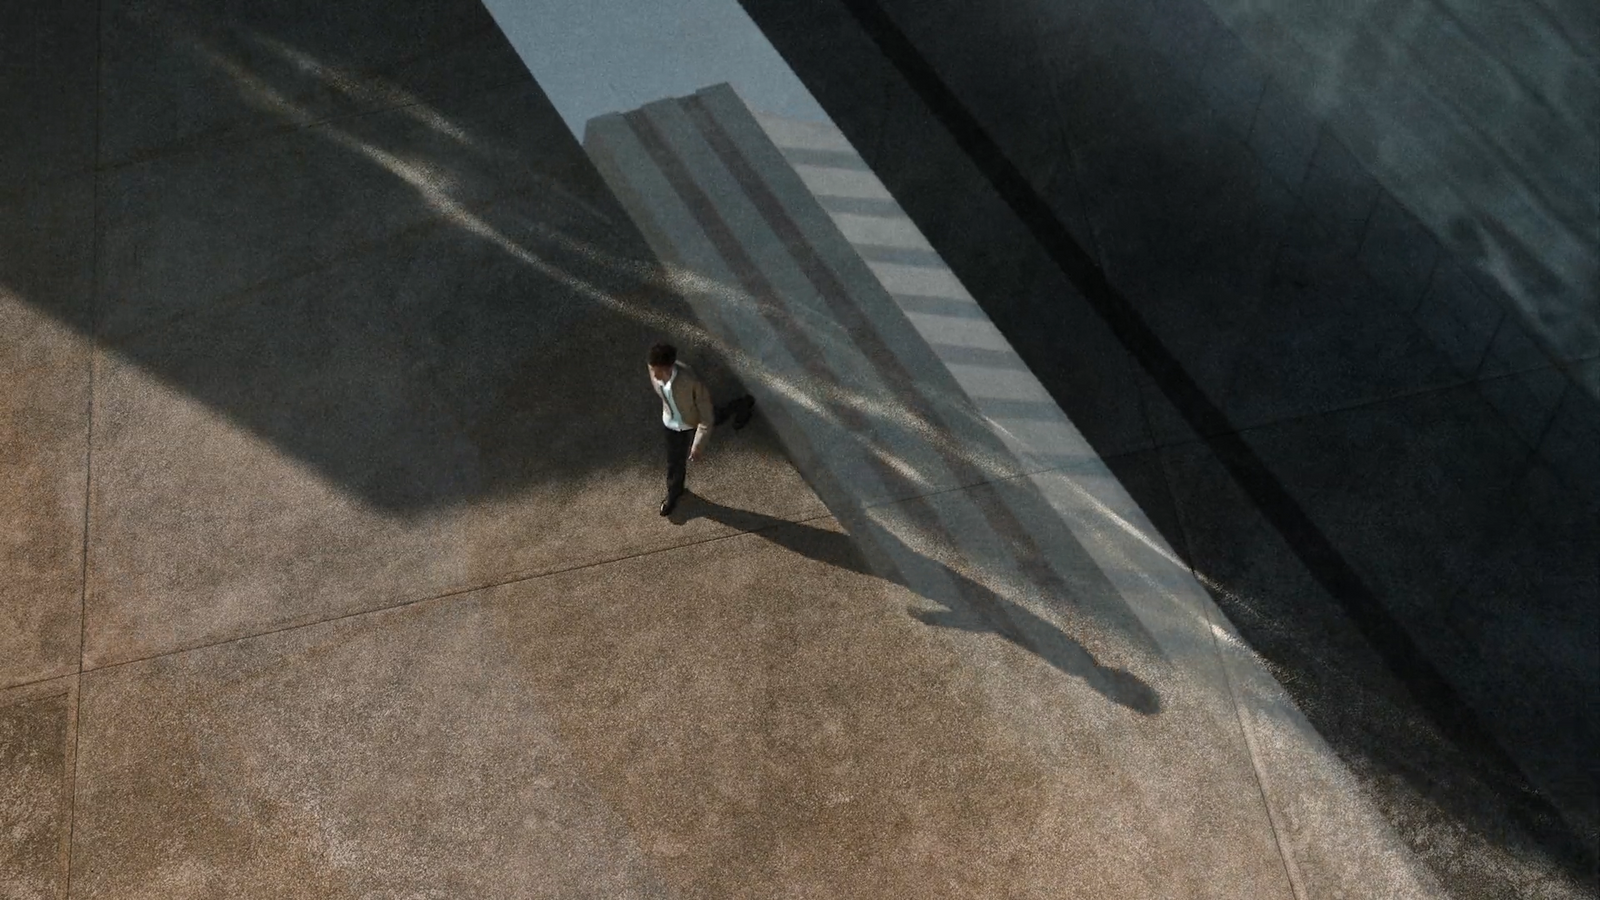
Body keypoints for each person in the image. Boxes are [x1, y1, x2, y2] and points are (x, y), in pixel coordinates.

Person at [647, 342, 755, 515]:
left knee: (716, 416)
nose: (653, 375)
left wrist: (698, 444)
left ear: (669, 367)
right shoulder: (654, 368)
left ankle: (742, 405)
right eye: (652, 370)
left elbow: (706, 415)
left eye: (657, 371)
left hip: (693, 417)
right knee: (674, 461)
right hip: (672, 423)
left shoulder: (690, 381)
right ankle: (675, 491)